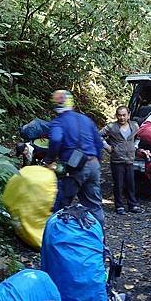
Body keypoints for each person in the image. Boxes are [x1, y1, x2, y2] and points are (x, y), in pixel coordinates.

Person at [45, 90, 105, 225]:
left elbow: (55, 140)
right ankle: (99, 241)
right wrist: (96, 162)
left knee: (62, 203)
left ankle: (54, 237)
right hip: (93, 163)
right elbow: (99, 143)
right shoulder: (86, 119)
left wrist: (49, 160)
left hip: (74, 167)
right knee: (94, 206)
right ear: (72, 103)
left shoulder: (58, 122)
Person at [100, 106, 151, 215]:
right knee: (118, 184)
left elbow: (139, 136)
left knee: (130, 183)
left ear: (128, 115)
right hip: (117, 160)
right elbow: (98, 135)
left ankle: (133, 205)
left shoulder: (134, 125)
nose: (122, 117)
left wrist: (135, 146)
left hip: (130, 159)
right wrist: (107, 147)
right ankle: (119, 206)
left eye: (124, 115)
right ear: (116, 115)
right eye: (119, 115)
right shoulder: (111, 127)